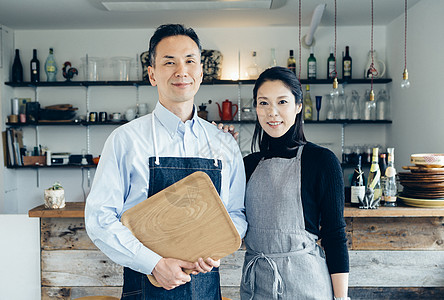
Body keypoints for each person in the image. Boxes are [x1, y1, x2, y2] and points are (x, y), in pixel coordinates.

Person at [85, 24, 247, 299]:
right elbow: (99, 218)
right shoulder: (125, 139)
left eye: (189, 61)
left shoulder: (224, 144)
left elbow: (237, 214)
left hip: (205, 287)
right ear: (152, 74)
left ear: (200, 72)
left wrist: (214, 248)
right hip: (144, 286)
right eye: (169, 62)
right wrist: (155, 264)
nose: (181, 71)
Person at [240, 67, 349, 300]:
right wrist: (224, 153)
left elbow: (334, 235)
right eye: (264, 103)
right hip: (256, 285)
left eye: (282, 102)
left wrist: (341, 299)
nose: (272, 113)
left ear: (298, 106)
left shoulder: (321, 161)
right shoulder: (247, 165)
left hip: (306, 285)